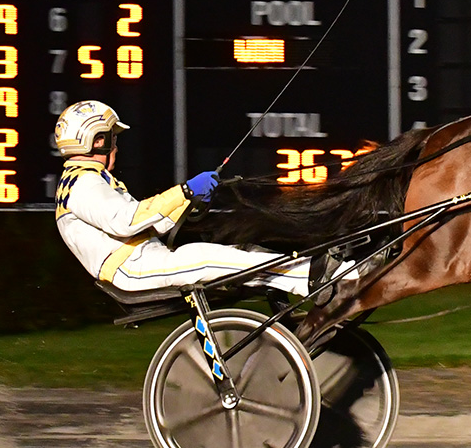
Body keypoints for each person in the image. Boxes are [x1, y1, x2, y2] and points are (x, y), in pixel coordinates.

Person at [53, 100, 356, 303]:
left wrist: (189, 202)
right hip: (132, 271)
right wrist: (184, 191)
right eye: (112, 139)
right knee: (212, 258)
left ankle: (314, 274)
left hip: (144, 259)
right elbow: (126, 220)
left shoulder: (88, 180)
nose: (116, 147)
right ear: (97, 141)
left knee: (242, 251)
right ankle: (317, 281)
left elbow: (147, 224)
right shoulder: (83, 183)